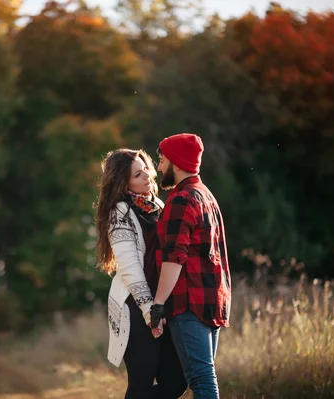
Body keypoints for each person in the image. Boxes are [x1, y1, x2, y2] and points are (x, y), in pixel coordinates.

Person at [95, 148, 187, 399]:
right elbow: (129, 267)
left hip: (162, 302)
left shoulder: (157, 205)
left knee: (176, 383)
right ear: (124, 183)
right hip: (135, 308)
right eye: (138, 174)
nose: (148, 175)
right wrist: (149, 310)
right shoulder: (119, 213)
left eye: (146, 168)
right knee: (141, 383)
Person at [149, 134, 232, 399]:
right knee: (204, 376)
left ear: (175, 161)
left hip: (188, 302)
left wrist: (158, 303)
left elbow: (174, 257)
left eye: (161, 160)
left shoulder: (181, 199)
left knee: (202, 380)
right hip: (212, 300)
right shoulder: (205, 195)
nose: (159, 167)